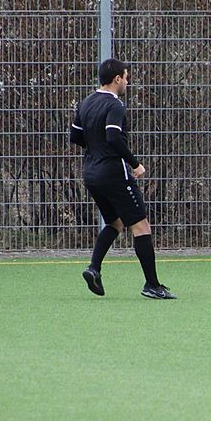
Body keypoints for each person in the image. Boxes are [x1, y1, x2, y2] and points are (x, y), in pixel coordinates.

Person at [71, 58, 176, 298]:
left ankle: (93, 268)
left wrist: (95, 147)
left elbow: (75, 137)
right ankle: (152, 285)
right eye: (126, 78)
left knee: (116, 223)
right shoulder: (115, 104)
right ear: (117, 78)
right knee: (141, 226)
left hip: (91, 173)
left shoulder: (86, 102)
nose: (127, 82)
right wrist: (135, 164)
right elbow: (113, 137)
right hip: (113, 173)